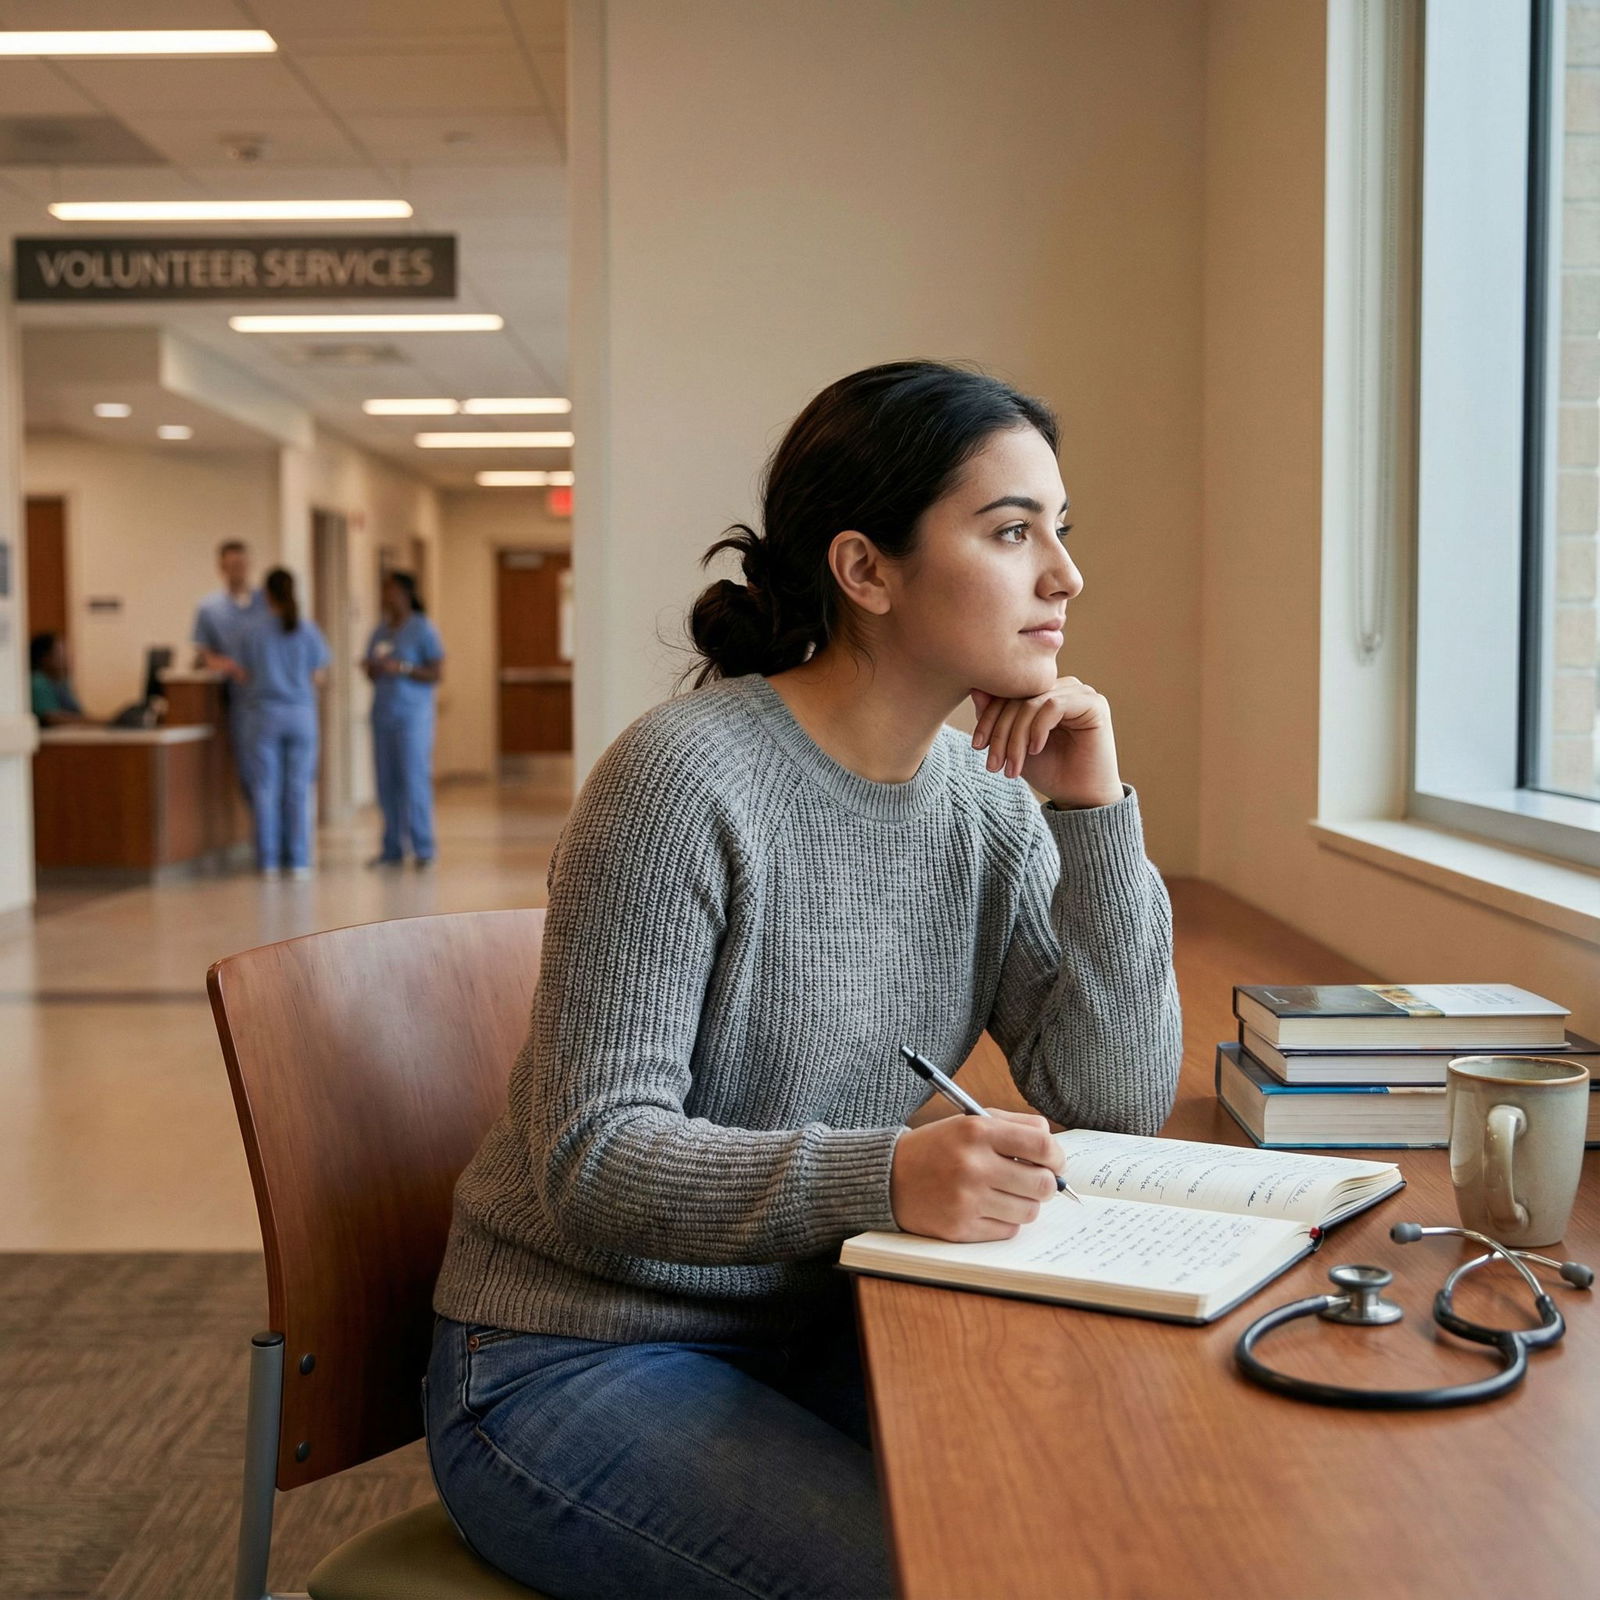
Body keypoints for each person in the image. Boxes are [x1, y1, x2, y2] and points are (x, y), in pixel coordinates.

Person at [426, 360, 1184, 1600]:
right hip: (567, 1355)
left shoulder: (989, 809)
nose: (1064, 572)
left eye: (1061, 528)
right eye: (1010, 530)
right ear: (865, 569)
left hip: (813, 1323)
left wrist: (1093, 815)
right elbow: (592, 1158)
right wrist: (883, 1173)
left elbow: (1114, 1097)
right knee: (936, 1579)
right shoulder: (682, 780)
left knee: (1092, 1507)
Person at [236, 569, 328, 879]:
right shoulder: (307, 629)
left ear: (267, 594)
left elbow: (244, 674)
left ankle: (269, 862)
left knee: (266, 790)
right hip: (301, 715)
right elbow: (319, 675)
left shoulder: (253, 630)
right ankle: (299, 860)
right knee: (298, 789)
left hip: (265, 716)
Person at [362, 571, 444, 868]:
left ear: (406, 594)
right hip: (383, 715)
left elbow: (436, 673)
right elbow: (371, 673)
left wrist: (405, 668)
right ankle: (392, 848)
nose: (387, 597)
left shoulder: (423, 629)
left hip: (413, 717)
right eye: (384, 591)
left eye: (392, 591)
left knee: (414, 780)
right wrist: (373, 667)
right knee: (387, 783)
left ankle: (423, 848)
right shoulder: (380, 631)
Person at [192, 539, 268, 786]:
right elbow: (203, 654)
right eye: (232, 564)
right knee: (250, 773)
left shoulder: (266, 603)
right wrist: (228, 666)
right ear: (221, 567)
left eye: (243, 563)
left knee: (279, 777)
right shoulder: (209, 608)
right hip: (239, 700)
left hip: (270, 696)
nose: (239, 569)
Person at [29, 632, 87, 726]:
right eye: (60, 653)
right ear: (45, 658)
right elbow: (52, 718)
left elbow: (78, 713)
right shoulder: (38, 682)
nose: (65, 658)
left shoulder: (62, 682)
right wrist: (100, 722)